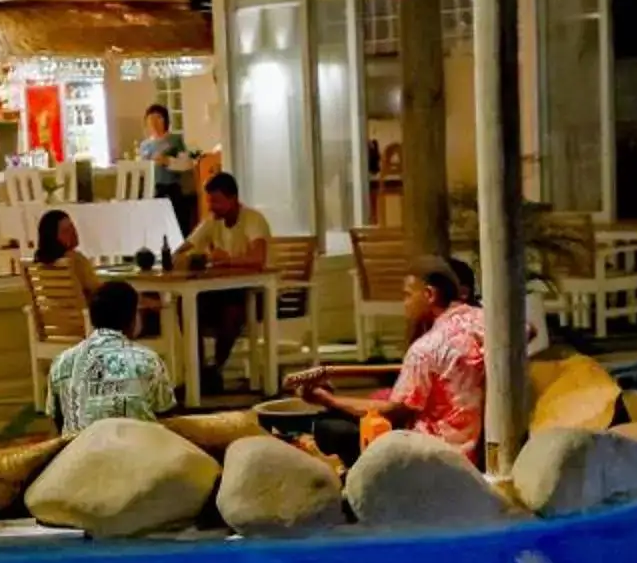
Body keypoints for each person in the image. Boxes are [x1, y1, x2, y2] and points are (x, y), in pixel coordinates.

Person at [291, 256, 487, 456]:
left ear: (429, 294)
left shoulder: (427, 347)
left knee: (330, 427)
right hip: (482, 441)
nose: (404, 304)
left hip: (440, 452)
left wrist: (328, 400)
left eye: (407, 295)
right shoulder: (485, 321)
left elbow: (393, 413)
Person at [176, 170, 272, 388]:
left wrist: (226, 259)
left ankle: (215, 367)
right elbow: (185, 248)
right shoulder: (212, 222)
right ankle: (197, 371)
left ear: (233, 199)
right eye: (210, 201)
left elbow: (258, 259)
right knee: (187, 305)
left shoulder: (253, 220)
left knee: (232, 311)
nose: (212, 207)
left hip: (254, 293)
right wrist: (180, 257)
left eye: (217, 202)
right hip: (222, 290)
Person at [47, 279, 174, 433]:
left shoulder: (61, 362)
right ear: (133, 319)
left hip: (79, 452)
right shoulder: (148, 360)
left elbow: (58, 421)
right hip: (136, 451)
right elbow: (166, 419)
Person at [134, 103, 197, 229]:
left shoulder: (174, 140)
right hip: (152, 192)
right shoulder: (144, 146)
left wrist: (167, 161)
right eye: (151, 119)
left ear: (166, 120)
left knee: (177, 224)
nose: (154, 122)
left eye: (158, 118)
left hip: (172, 190)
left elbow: (187, 164)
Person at [32, 208, 100, 304]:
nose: (73, 233)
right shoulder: (75, 259)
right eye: (66, 231)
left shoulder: (40, 263)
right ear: (52, 237)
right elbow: (96, 289)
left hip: (54, 316)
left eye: (72, 227)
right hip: (84, 315)